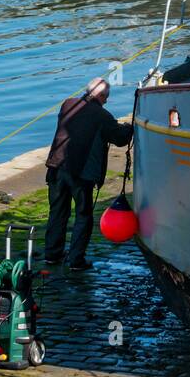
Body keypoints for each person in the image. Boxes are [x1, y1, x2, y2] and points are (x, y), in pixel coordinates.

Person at [42, 77, 133, 271]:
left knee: (57, 212)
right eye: (106, 97)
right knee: (83, 216)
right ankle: (76, 260)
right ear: (100, 95)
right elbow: (119, 139)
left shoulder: (67, 104)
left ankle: (52, 254)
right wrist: (130, 127)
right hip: (80, 173)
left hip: (56, 167)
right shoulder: (102, 116)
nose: (107, 101)